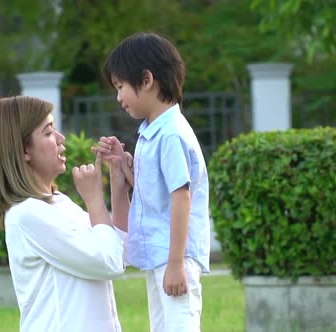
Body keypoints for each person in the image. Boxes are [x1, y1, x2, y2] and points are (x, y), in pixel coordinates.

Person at [0, 96, 130, 332]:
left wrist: (117, 181)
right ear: (24, 150)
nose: (61, 139)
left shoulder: (58, 202)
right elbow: (108, 262)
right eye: (48, 132)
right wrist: (94, 200)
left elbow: (118, 252)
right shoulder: (28, 214)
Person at [97, 32, 211, 332]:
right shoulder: (151, 132)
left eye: (121, 87)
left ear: (146, 80)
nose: (119, 97)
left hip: (174, 257)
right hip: (160, 256)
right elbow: (155, 191)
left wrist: (175, 264)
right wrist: (125, 167)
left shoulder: (171, 134)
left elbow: (181, 197)